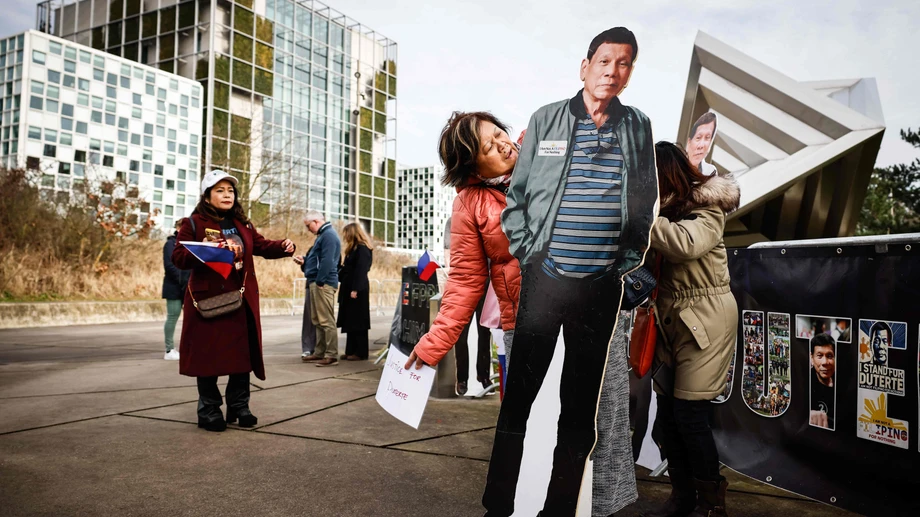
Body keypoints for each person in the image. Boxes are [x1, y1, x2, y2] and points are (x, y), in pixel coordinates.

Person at [487, 26, 657, 516]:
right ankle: (499, 505)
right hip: (545, 279)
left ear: (629, 73)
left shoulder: (638, 125)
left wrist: (624, 265)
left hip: (601, 287)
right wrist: (529, 255)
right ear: (585, 67)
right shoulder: (546, 120)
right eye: (604, 60)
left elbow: (645, 198)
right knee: (519, 399)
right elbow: (515, 200)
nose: (612, 70)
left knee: (579, 410)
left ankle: (558, 509)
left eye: (624, 63)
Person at [645, 141, 739, 517]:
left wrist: (641, 214)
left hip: (707, 320)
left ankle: (711, 505)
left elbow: (685, 245)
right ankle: (682, 498)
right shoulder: (668, 212)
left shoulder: (707, 207)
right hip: (672, 321)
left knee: (689, 417)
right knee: (667, 417)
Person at [172, 170, 295, 432]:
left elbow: (260, 246)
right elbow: (179, 257)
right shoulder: (192, 222)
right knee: (209, 358)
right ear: (207, 196)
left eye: (230, 190)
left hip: (241, 300)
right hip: (209, 302)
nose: (227, 194)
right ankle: (209, 410)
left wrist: (282, 247)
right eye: (219, 190)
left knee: (242, 355)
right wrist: (203, 249)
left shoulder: (242, 223)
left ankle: (240, 407)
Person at [405, 111, 521, 379]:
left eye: (499, 133)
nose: (503, 144)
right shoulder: (469, 204)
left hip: (584, 306)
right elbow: (465, 280)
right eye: (489, 147)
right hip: (524, 321)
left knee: (599, 409)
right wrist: (433, 344)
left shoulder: (546, 157)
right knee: (530, 417)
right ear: (473, 168)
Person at [295, 210, 342, 367]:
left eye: (308, 226)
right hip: (318, 281)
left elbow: (328, 260)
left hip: (323, 282)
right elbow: (320, 259)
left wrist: (321, 281)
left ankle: (331, 355)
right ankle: (320, 352)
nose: (308, 229)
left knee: (326, 320)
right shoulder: (324, 235)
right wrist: (306, 261)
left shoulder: (328, 235)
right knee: (318, 320)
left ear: (316, 222)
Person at [336, 222, 374, 361]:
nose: (345, 237)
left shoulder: (362, 249)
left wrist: (355, 289)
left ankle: (360, 352)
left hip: (357, 289)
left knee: (358, 321)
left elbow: (361, 271)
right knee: (350, 320)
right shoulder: (354, 249)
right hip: (350, 287)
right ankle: (351, 350)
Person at [453, 283, 492, 395]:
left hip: (485, 289)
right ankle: (462, 379)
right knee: (461, 337)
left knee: (485, 334)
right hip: (465, 290)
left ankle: (484, 375)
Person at [162, 218, 190, 361]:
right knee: (173, 317)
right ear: (178, 228)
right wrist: (182, 280)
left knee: (192, 319)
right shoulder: (170, 244)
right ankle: (169, 349)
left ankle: (190, 348)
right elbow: (169, 266)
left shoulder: (190, 244)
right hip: (174, 287)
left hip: (189, 287)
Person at [809, 333, 836, 430]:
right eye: (819, 356)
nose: (825, 362)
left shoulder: (845, 382)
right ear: (811, 358)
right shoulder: (805, 384)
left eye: (829, 356)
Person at [685, 112, 717, 176]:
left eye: (707, 138)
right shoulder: (674, 167)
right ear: (689, 142)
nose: (701, 145)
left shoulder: (710, 172)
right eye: (698, 138)